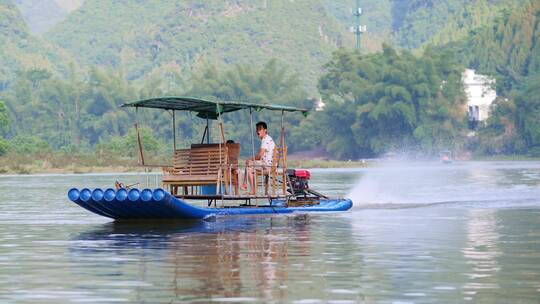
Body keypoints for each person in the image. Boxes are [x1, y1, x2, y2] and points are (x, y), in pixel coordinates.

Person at [240, 121, 275, 194]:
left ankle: (249, 187)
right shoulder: (267, 139)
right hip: (267, 164)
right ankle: (246, 185)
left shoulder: (266, 140)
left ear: (265, 130)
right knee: (249, 166)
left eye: (260, 129)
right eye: (257, 129)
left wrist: (250, 158)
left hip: (268, 165)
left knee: (249, 164)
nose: (258, 131)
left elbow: (259, 156)